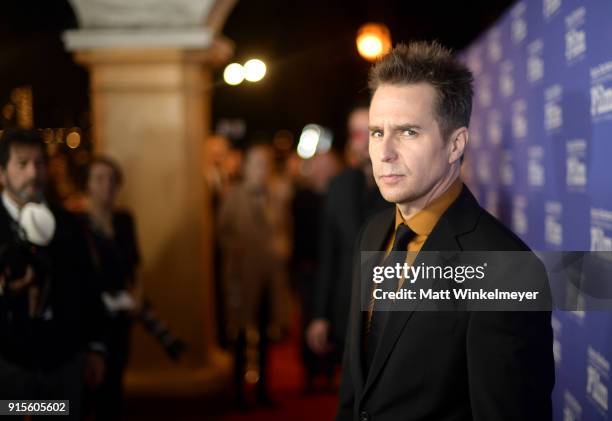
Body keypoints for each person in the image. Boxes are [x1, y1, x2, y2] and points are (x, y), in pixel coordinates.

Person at [336, 42, 554, 421]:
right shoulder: (372, 234)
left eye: (407, 132)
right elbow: (359, 391)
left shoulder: (506, 268)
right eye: (375, 132)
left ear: (456, 144)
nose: (384, 152)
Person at [0, 128, 106, 419]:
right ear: (2, 173)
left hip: (64, 363)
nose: (33, 172)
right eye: (22, 164)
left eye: (40, 163)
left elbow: (88, 285)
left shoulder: (68, 223)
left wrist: (96, 348)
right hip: (9, 365)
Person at [306, 106, 390, 364]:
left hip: (389, 313)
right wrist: (320, 315)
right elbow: (327, 255)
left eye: (371, 132)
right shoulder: (338, 185)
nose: (363, 141)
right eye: (356, 133)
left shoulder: (400, 185)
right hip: (346, 309)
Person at [218, 144, 292, 407]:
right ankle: (237, 391)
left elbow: (284, 231)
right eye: (257, 163)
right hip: (242, 276)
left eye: (266, 164)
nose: (262, 169)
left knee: (265, 332)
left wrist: (283, 247)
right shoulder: (234, 195)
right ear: (247, 166)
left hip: (269, 277)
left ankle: (263, 390)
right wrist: (237, 251)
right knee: (238, 333)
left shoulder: (276, 196)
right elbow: (223, 233)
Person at [78, 156, 142, 420]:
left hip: (120, 317)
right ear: (88, 185)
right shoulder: (77, 225)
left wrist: (136, 297)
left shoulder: (124, 221)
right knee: (85, 392)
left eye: (112, 180)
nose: (106, 186)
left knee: (114, 387)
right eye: (99, 179)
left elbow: (135, 266)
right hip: (89, 319)